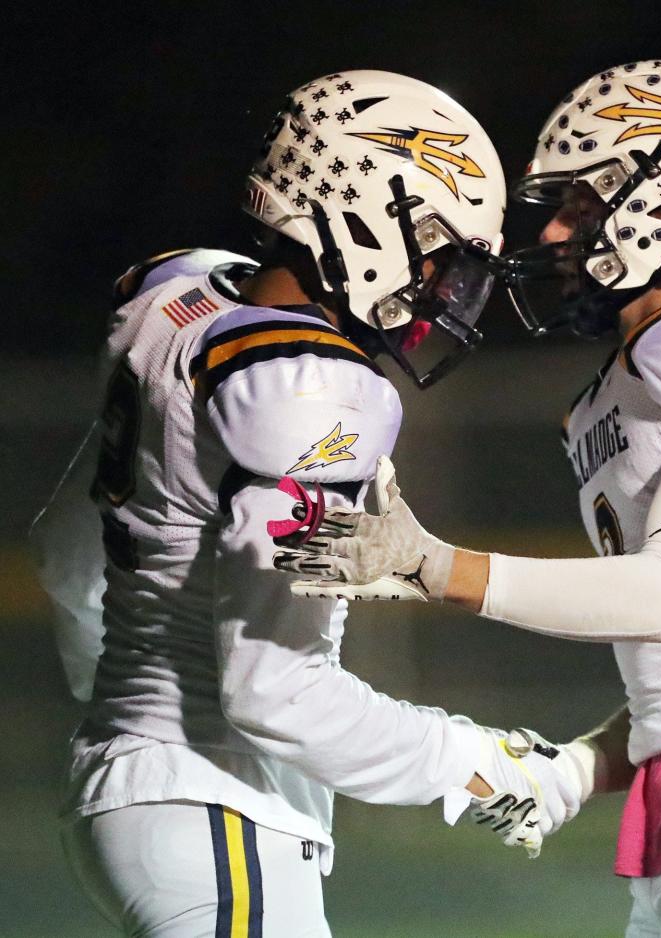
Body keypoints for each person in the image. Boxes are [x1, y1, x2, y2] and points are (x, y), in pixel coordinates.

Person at [274, 61, 661, 938]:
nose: (559, 229)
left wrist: (433, 568)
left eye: (581, 202)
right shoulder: (618, 389)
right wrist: (573, 770)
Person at [30, 70, 590, 938]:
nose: (443, 286)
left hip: (130, 800)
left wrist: (126, 715)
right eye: (439, 252)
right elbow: (276, 695)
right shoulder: (315, 384)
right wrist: (482, 766)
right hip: (215, 806)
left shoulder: (178, 301)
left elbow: (67, 556)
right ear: (367, 214)